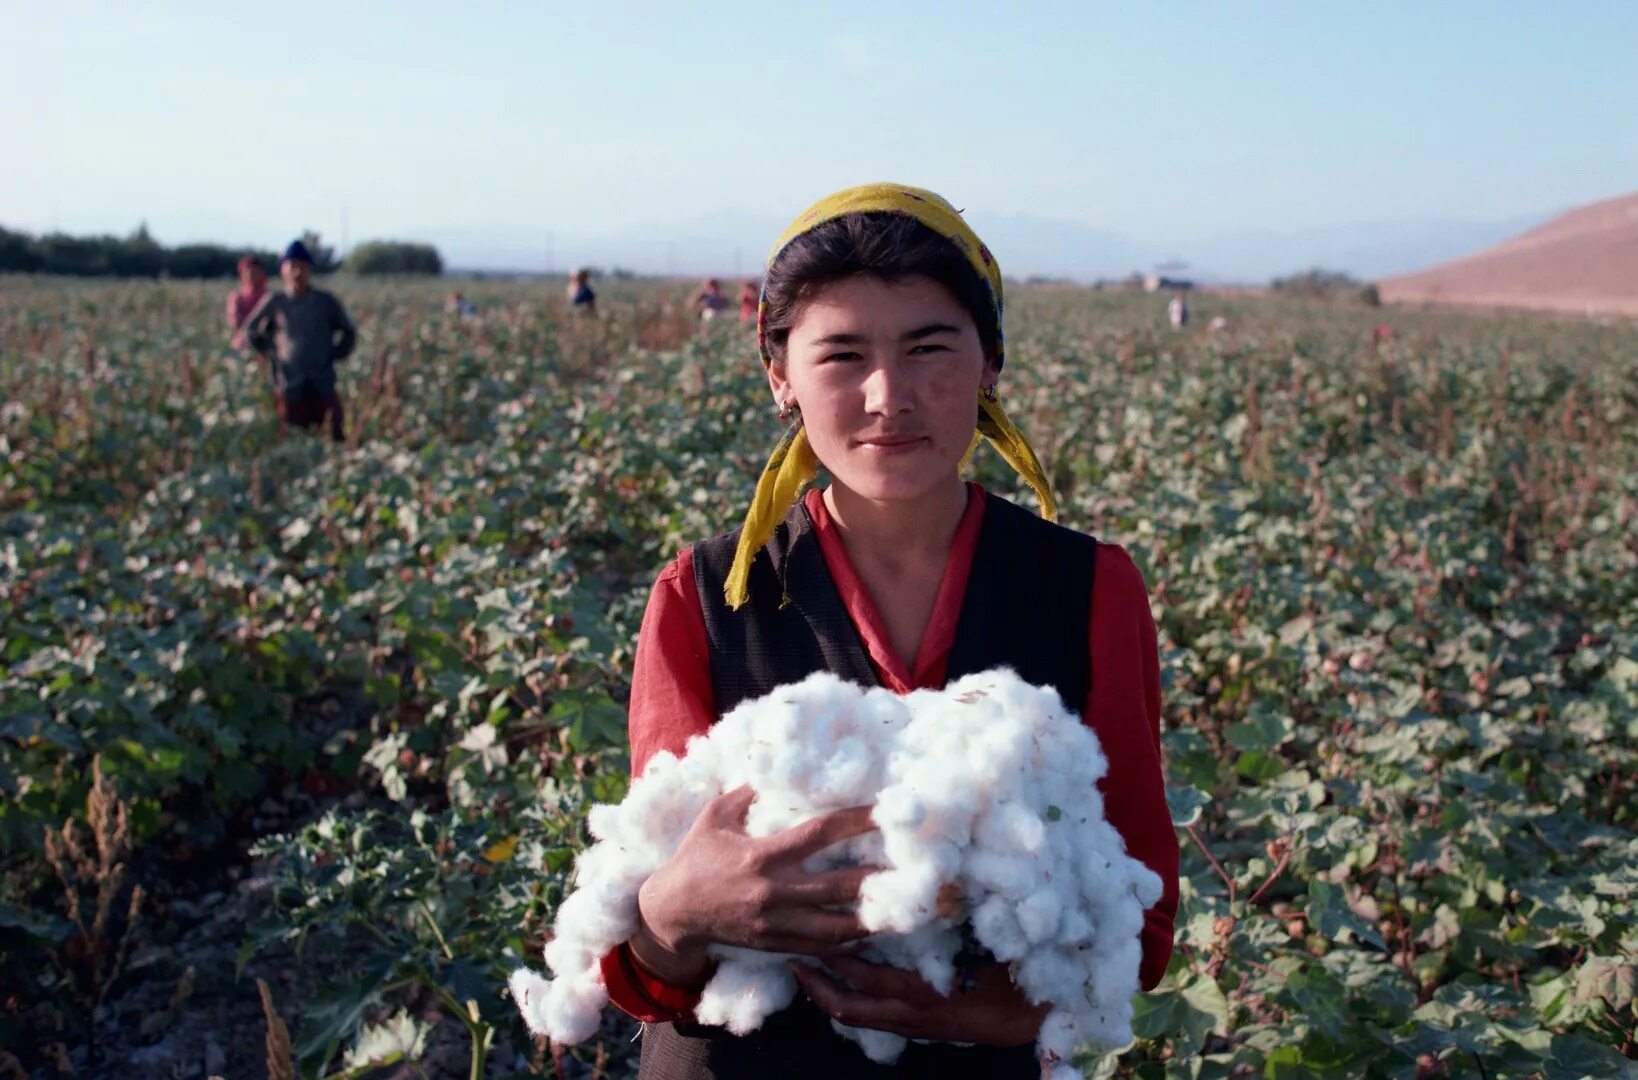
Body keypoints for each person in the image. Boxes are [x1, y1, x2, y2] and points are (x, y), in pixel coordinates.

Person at [598, 184, 1179, 1078]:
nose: (887, 396)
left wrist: (1000, 1013)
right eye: (842, 355)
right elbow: (646, 958)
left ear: (991, 363)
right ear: (779, 376)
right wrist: (678, 913)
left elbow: (1138, 918)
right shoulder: (703, 596)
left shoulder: (1088, 588)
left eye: (929, 347)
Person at [242, 239, 356, 442]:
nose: (297, 272)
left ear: (309, 269)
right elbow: (251, 331)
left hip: (322, 384)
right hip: (289, 386)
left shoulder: (325, 301)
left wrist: (333, 353)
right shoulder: (276, 302)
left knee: (334, 438)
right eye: (292, 266)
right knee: (292, 444)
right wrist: (273, 352)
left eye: (301, 266)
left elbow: (348, 332)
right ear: (283, 270)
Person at [226, 254, 268, 350]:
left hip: (266, 347)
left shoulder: (268, 297)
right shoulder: (237, 297)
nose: (252, 275)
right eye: (248, 271)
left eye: (256, 272)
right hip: (243, 345)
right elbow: (235, 323)